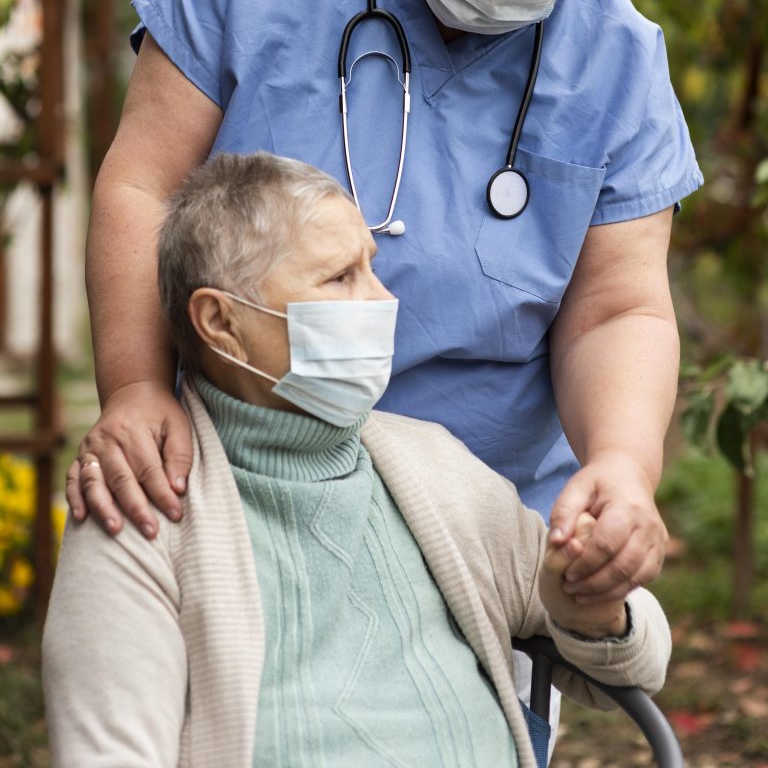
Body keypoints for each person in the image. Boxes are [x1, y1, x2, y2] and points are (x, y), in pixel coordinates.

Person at [68, 0, 703, 605]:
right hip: (243, 485)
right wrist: (137, 388)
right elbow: (143, 185)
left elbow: (620, 308)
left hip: (488, 522)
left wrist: (623, 464)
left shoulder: (616, 59)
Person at [45, 152, 672, 768]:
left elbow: (638, 667)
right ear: (220, 321)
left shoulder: (435, 470)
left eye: (372, 267)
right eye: (340, 277)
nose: (380, 300)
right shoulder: (140, 506)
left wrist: (591, 606)